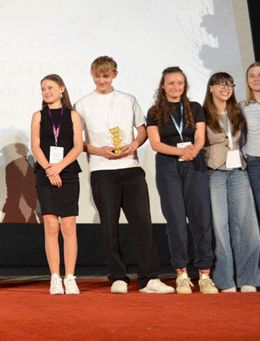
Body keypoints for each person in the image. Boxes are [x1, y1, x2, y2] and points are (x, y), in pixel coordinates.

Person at [74, 56, 173, 294]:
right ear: (91, 74)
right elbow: (79, 142)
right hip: (101, 170)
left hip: (131, 168)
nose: (101, 80)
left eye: (106, 76)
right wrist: (100, 150)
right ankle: (118, 276)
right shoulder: (82, 104)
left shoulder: (128, 100)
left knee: (143, 225)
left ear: (115, 75)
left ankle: (149, 278)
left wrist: (135, 145)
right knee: (109, 226)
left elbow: (142, 130)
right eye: (97, 76)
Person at [147, 66, 217, 294]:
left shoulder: (194, 108)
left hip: (194, 164)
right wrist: (180, 152)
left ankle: (205, 273)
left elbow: (200, 135)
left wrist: (193, 151)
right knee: (176, 222)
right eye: (171, 83)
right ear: (163, 86)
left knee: (201, 219)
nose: (175, 87)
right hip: (168, 167)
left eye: (180, 83)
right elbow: (155, 143)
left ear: (184, 85)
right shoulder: (154, 111)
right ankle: (182, 274)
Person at [202, 72, 260, 292]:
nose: (226, 89)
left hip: (239, 172)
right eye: (220, 84)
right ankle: (225, 280)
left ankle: (248, 278)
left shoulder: (238, 111)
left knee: (247, 227)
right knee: (219, 227)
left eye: (230, 85)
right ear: (211, 88)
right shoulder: (203, 112)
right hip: (214, 172)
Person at [30, 75, 83, 295]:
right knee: (51, 227)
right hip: (45, 174)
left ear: (62, 88)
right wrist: (49, 169)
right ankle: (54, 277)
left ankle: (70, 277)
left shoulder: (73, 115)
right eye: (43, 89)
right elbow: (35, 146)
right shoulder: (38, 116)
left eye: (50, 87)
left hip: (68, 172)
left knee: (68, 227)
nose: (46, 92)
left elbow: (78, 146)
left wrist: (59, 167)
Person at [241, 62, 260, 217]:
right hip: (254, 161)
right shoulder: (242, 106)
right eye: (251, 76)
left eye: (259, 75)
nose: (256, 79)